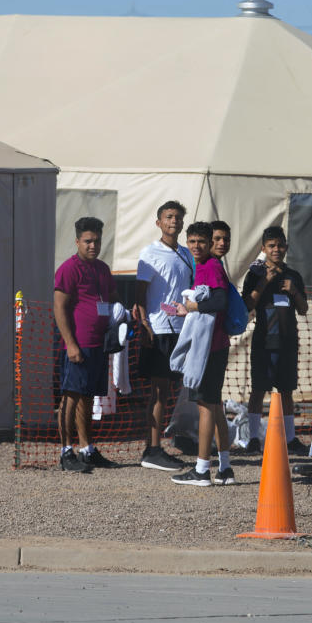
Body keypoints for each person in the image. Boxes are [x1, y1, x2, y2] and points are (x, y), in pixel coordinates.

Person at [53, 217, 121, 472]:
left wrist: (123, 315)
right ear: (77, 241)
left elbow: (113, 298)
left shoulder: (102, 269)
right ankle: (65, 451)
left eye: (97, 240)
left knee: (88, 398)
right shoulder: (69, 269)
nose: (93, 245)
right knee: (70, 396)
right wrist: (70, 344)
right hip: (78, 343)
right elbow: (59, 306)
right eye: (88, 241)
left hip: (98, 344)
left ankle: (87, 449)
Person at [171, 222, 235, 487]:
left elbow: (220, 302)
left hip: (210, 348)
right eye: (192, 241)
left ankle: (201, 470)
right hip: (214, 346)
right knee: (215, 405)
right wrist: (190, 310)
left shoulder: (211, 267)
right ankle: (226, 467)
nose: (196, 246)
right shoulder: (204, 267)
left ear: (209, 243)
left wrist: (194, 305)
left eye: (201, 241)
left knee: (205, 406)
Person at [133, 201, 194, 471]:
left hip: (181, 328)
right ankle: (152, 449)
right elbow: (139, 295)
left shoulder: (186, 253)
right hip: (159, 328)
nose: (174, 222)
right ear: (159, 222)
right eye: (169, 217)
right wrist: (144, 325)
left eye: (178, 218)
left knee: (169, 390)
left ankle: (159, 445)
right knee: (158, 392)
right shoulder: (150, 253)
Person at [241, 226, 309, 455]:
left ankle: (290, 439)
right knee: (258, 390)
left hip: (288, 341)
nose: (276, 249)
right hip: (263, 341)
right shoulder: (255, 274)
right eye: (271, 246)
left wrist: (294, 292)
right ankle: (253, 439)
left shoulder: (293, 276)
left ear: (286, 247)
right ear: (263, 248)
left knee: (287, 391)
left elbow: (303, 309)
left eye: (280, 245)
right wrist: (263, 282)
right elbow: (247, 305)